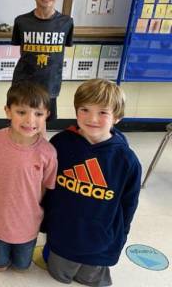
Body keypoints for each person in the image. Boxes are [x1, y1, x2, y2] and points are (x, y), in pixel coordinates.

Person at [43, 79, 141, 287]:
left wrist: (121, 235)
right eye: (84, 109)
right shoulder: (59, 144)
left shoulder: (126, 160)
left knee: (90, 280)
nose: (92, 118)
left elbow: (128, 204)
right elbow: (47, 188)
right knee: (57, 276)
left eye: (103, 112)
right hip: (62, 235)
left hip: (100, 241)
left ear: (117, 117)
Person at [0, 81, 57, 272]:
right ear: (7, 111)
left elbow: (45, 187)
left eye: (38, 114)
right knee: (0, 265)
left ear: (47, 115)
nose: (30, 120)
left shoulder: (48, 152)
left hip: (27, 222)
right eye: (21, 112)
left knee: (22, 267)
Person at [11, 0, 74, 121]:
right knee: (22, 120)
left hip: (50, 84)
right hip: (24, 83)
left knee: (43, 123)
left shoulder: (67, 22)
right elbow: (22, 50)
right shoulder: (21, 21)